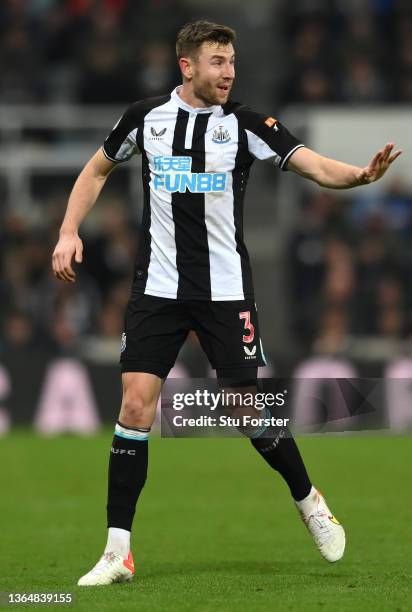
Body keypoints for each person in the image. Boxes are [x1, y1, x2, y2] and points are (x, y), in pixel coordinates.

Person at [52, 20, 402, 586]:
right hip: (157, 289)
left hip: (225, 290)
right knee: (136, 407)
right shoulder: (145, 117)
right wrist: (69, 230)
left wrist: (358, 176)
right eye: (218, 61)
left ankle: (308, 499)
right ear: (186, 66)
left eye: (233, 61)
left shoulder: (246, 124)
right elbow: (96, 168)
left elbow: (310, 162)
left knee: (243, 409)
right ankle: (118, 551)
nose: (230, 71)